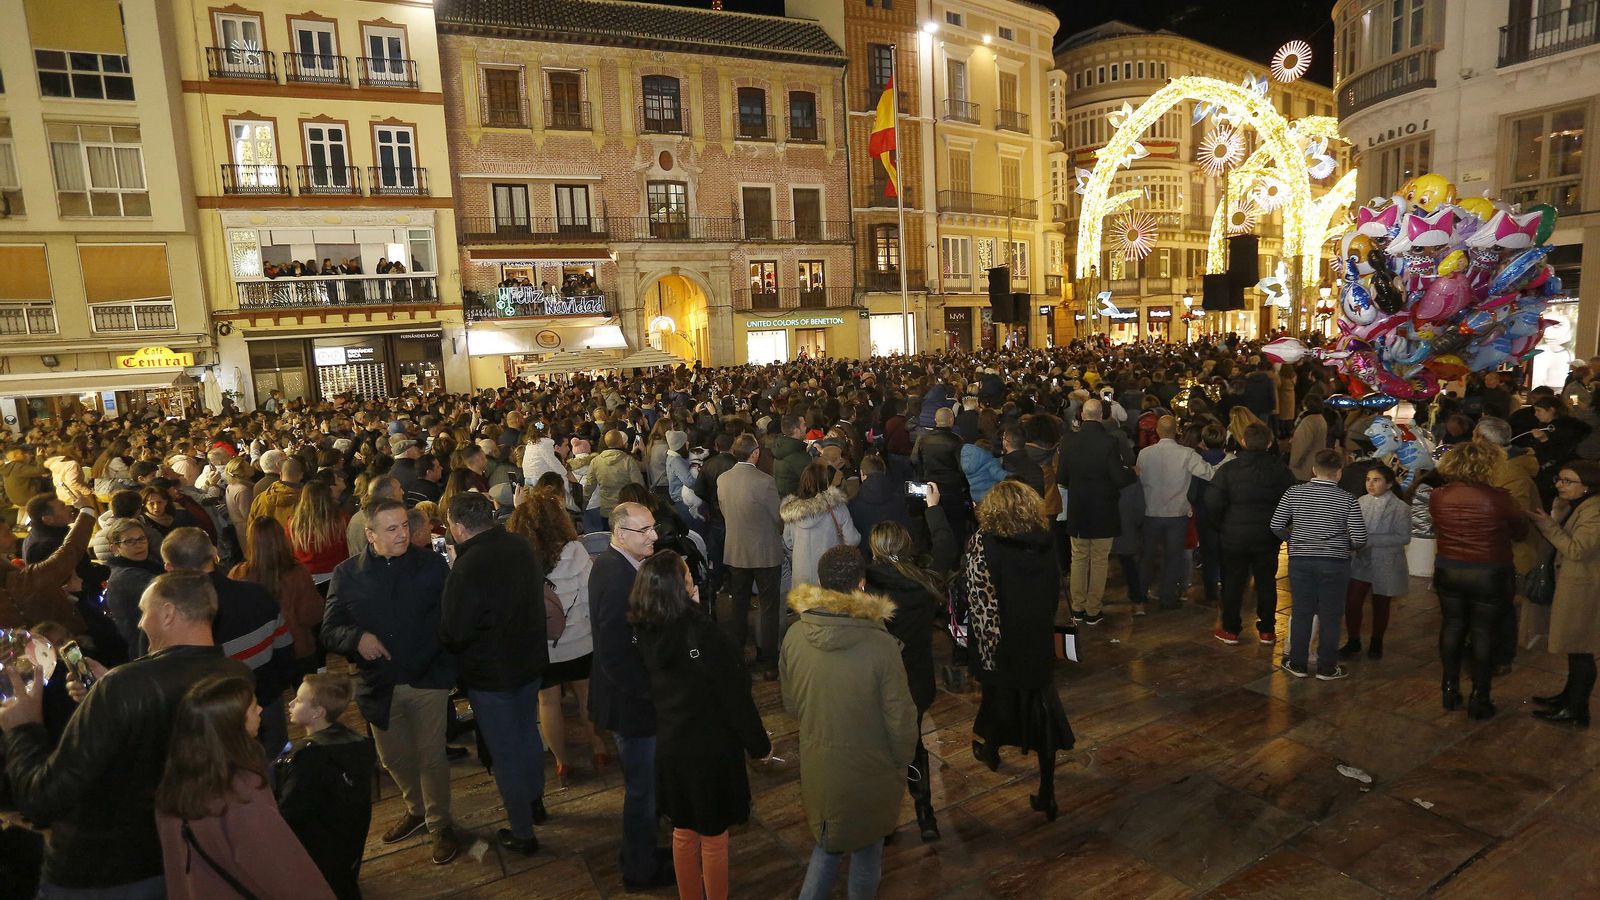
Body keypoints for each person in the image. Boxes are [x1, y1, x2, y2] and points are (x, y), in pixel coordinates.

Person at [0, 572, 250, 898]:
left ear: (168, 613)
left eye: (144, 612)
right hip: (177, 858)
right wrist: (107, 688)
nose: (140, 623)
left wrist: (23, 727)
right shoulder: (236, 676)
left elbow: (42, 798)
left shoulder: (123, 687)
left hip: (100, 873)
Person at [322, 497, 459, 865]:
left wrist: (444, 660)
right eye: (392, 528)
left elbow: (451, 618)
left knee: (432, 757)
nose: (403, 534)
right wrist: (356, 639)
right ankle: (417, 809)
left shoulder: (431, 565)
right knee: (393, 759)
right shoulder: (347, 574)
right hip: (379, 684)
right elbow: (329, 630)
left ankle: (439, 823)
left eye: (405, 526)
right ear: (370, 535)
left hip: (427, 677)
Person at [631, 551, 770, 900]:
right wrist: (760, 746)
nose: (693, 579)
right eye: (688, 575)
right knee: (714, 838)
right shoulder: (704, 634)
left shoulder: (644, 630)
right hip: (710, 750)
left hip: (671, 745)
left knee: (682, 832)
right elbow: (736, 698)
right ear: (678, 588)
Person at [783, 545, 916, 900]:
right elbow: (900, 719)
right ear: (861, 584)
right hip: (870, 767)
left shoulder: (794, 636)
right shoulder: (881, 644)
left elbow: (791, 704)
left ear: (822, 582)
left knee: (827, 845)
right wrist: (903, 761)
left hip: (820, 765)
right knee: (867, 853)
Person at [153, 674, 335, 900]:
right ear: (232, 723)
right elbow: (279, 867)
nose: (260, 710)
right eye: (252, 707)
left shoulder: (173, 786)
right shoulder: (242, 790)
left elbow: (176, 869)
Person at [439, 491, 548, 856]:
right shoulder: (521, 546)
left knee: (505, 753)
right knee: (528, 733)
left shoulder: (466, 568)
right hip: (529, 661)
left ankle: (523, 832)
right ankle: (535, 802)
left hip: (491, 675)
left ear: (457, 527)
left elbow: (455, 631)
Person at [964, 481, 1074, 821]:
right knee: (1042, 712)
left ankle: (992, 751)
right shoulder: (1045, 541)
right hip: (1036, 639)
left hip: (1000, 642)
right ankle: (1047, 792)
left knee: (996, 698)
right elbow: (1054, 590)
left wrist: (980, 652)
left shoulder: (984, 542)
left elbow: (979, 602)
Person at [587, 501, 674, 890]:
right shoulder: (616, 577)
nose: (654, 536)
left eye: (654, 527)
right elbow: (614, 655)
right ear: (620, 534)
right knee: (642, 791)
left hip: (631, 699)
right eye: (645, 530)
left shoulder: (620, 564)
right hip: (631, 706)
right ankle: (639, 870)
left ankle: (643, 853)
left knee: (645, 786)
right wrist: (651, 694)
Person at [865, 483, 956, 842]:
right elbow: (946, 548)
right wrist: (934, 508)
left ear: (875, 549)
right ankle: (925, 815)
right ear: (906, 546)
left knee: (882, 752)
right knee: (914, 745)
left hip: (879, 684)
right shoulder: (923, 583)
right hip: (916, 681)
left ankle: (886, 823)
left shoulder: (867, 587)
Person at [506, 488, 605, 777]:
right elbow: (589, 595)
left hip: (542, 645)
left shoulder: (518, 555)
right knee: (586, 695)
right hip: (580, 640)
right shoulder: (574, 550)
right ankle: (599, 747)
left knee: (547, 702)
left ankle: (562, 760)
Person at [1430, 442, 1528, 718]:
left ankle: (1449, 689)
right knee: (1484, 631)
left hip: (1448, 567)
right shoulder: (1499, 498)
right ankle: (1480, 697)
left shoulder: (1438, 495)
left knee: (1452, 626)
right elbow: (1520, 532)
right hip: (1489, 570)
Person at [274, 673, 376, 899]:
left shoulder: (309, 757)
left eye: (299, 700)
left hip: (318, 851)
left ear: (318, 712)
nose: (290, 703)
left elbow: (291, 813)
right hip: (347, 844)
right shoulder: (356, 742)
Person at [1271, 449, 1366, 681]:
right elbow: (1360, 538)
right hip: (1335, 562)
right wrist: (1345, 546)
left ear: (1314, 470)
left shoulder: (1294, 492)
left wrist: (1293, 538)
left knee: (1302, 612)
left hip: (1301, 560)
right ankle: (1327, 667)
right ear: (1339, 472)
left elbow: (1276, 524)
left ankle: (1298, 663)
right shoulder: (1347, 499)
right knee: (1331, 615)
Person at [1205, 423, 1295, 645]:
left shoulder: (1229, 470)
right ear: (1269, 443)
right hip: (1267, 535)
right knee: (1266, 582)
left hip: (1234, 535)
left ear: (1243, 442)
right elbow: (1291, 503)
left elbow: (1212, 502)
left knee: (1233, 582)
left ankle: (1230, 629)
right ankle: (1267, 629)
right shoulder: (1281, 471)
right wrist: (1281, 528)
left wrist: (1221, 525)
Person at [1529, 460, 1600, 728]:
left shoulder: (1594, 511)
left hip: (1585, 587)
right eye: (1559, 479)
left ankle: (1577, 710)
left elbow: (1577, 550)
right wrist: (1556, 514)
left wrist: (1548, 525)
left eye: (1567, 481)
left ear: (1587, 486)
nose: (1559, 484)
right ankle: (1568, 698)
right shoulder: (1579, 505)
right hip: (1575, 583)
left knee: (1582, 649)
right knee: (1575, 648)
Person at [1059, 399, 1136, 624]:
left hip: (1079, 508)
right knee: (1100, 560)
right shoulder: (1109, 442)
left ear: (1082, 415)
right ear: (1101, 415)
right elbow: (1119, 478)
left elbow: (1061, 477)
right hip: (1103, 508)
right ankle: (1093, 610)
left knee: (1078, 558)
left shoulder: (1068, 441)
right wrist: (1133, 473)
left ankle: (1077, 608)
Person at [718, 433, 785, 674]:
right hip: (765, 552)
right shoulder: (765, 481)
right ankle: (769, 662)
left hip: (736, 550)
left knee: (739, 605)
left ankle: (737, 656)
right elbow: (778, 516)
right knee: (768, 607)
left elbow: (724, 511)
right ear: (755, 453)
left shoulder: (723, 479)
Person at [231, 516, 324, 682]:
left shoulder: (239, 574)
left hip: (260, 654)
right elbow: (311, 615)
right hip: (299, 647)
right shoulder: (298, 572)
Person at [1136, 416, 1215, 610]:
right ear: (1176, 430)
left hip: (1151, 511)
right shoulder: (1187, 454)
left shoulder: (1145, 454)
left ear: (1157, 430)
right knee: (1173, 558)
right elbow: (1209, 473)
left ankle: (1139, 597)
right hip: (1177, 513)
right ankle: (1168, 598)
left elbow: (1139, 480)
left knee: (1147, 557)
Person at [1342, 465, 1411, 659]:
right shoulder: (1360, 501)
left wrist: (1371, 540)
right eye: (1368, 479)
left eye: (1376, 480)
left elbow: (1403, 537)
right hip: (1361, 559)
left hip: (1386, 561)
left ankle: (1376, 641)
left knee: (1381, 603)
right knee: (1353, 601)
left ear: (1388, 484)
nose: (1370, 484)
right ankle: (1353, 640)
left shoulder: (1400, 507)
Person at [782, 460, 860, 588]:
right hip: (830, 573)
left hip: (801, 576)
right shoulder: (837, 507)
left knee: (803, 601)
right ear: (826, 482)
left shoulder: (792, 512)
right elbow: (852, 540)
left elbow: (788, 542)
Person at [102, 518, 165, 657]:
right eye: (129, 541)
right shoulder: (127, 576)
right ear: (114, 548)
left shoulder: (147, 564)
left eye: (141, 539)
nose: (138, 545)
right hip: (146, 649)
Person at [287, 479, 349, 577]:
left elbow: (288, 552)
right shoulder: (341, 519)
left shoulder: (293, 523)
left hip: (305, 575)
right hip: (336, 574)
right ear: (328, 496)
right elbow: (347, 549)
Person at [586, 429, 645, 531]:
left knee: (609, 537)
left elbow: (589, 486)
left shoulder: (595, 461)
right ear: (621, 441)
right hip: (625, 509)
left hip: (606, 510)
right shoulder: (628, 461)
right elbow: (639, 485)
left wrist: (582, 504)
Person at [346, 475, 403, 558]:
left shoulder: (355, 518)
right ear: (389, 496)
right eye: (399, 489)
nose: (402, 492)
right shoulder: (387, 520)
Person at [771, 415, 812, 498]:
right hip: (798, 502)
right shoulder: (798, 457)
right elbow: (814, 482)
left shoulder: (781, 446)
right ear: (796, 431)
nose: (806, 428)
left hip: (785, 500)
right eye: (804, 425)